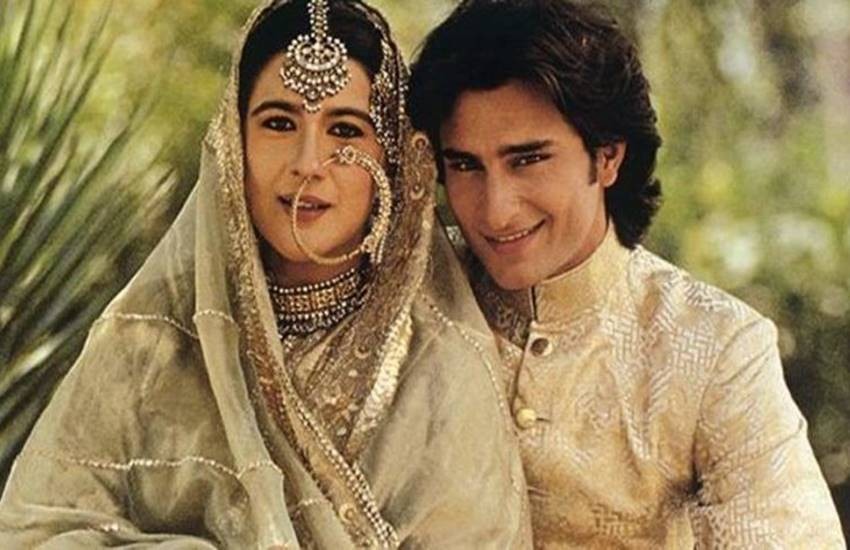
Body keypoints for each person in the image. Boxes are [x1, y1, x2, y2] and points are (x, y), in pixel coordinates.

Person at [0, 0, 531, 547]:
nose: (308, 162)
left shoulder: (438, 367)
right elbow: (35, 531)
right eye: (279, 123)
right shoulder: (150, 342)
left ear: (392, 158)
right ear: (235, 143)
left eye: (345, 130)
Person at [408, 0, 845, 547]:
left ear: (608, 156)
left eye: (528, 160)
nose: (495, 211)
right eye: (465, 165)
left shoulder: (716, 348)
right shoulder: (412, 301)